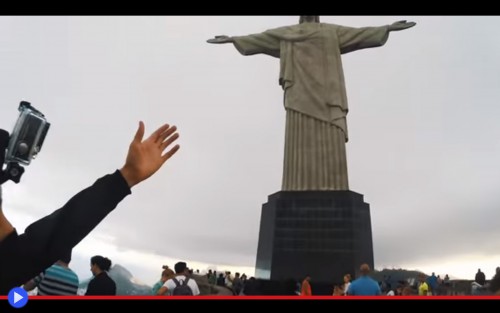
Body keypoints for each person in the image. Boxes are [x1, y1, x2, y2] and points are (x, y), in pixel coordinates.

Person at [208, 16, 415, 191]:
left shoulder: (331, 31)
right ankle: (296, 186)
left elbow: (359, 35)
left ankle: (334, 187)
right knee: (299, 139)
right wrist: (233, 40)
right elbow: (260, 39)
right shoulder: (287, 32)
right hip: (299, 96)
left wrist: (386, 29)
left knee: (330, 139)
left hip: (328, 96)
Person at [0, 121, 180, 294]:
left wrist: (126, 177)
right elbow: (56, 233)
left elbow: (53, 235)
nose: (8, 231)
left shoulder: (14, 264)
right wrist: (126, 178)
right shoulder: (73, 278)